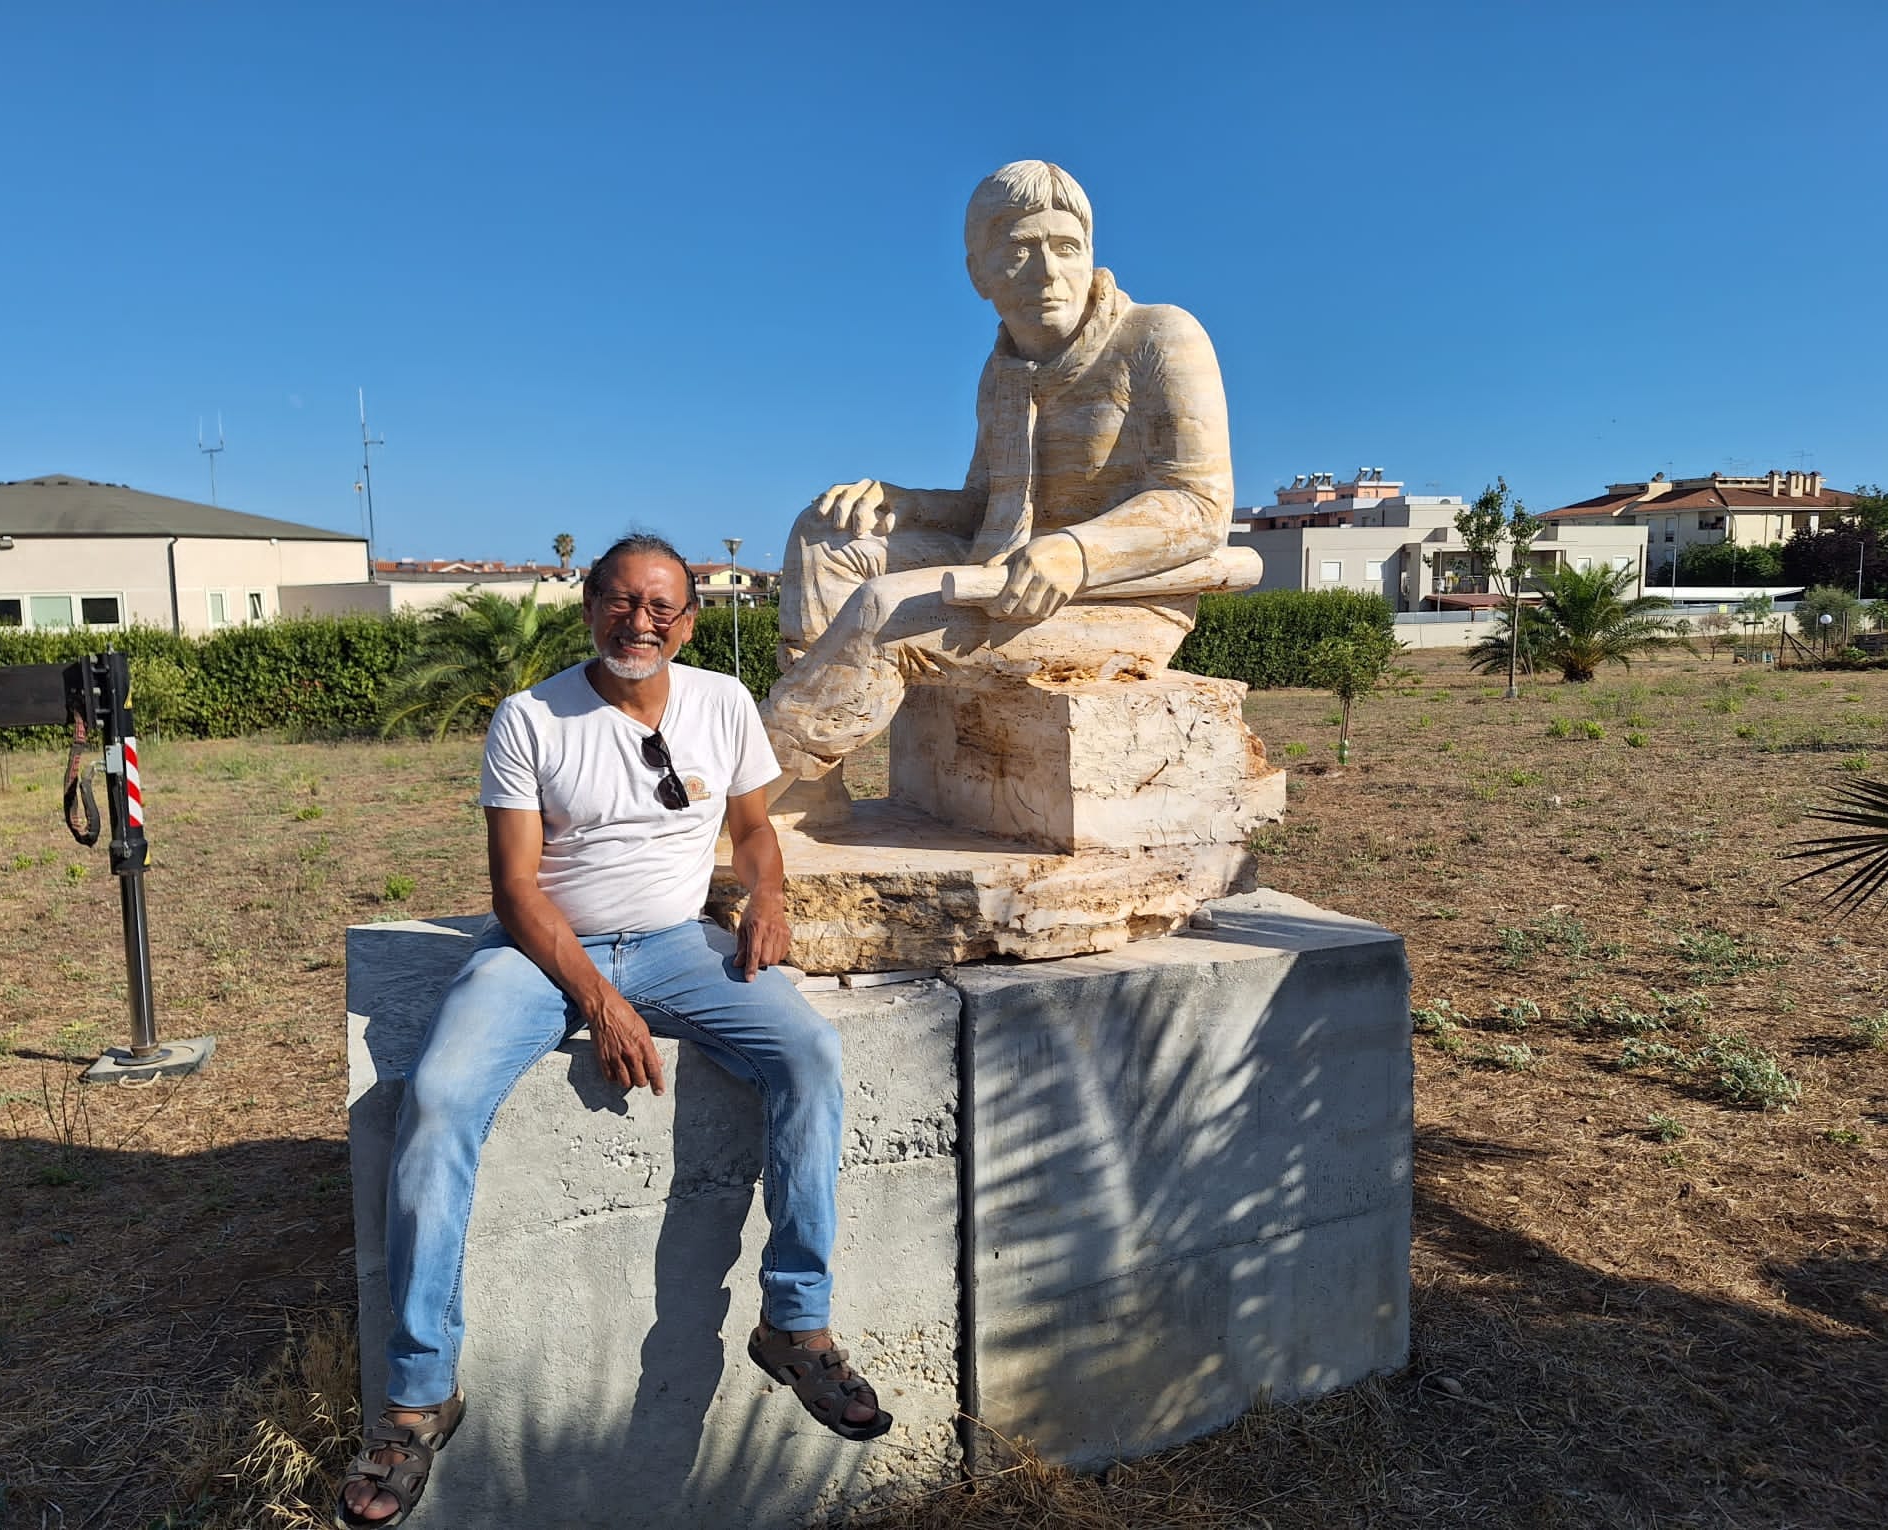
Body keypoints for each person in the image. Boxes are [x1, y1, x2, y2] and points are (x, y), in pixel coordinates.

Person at [337, 534, 889, 1529]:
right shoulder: (532, 718)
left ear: (688, 615)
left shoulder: (722, 703)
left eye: (664, 606)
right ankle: (420, 1396)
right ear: (588, 607)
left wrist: (767, 901)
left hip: (682, 944)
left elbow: (756, 829)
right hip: (542, 952)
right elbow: (514, 888)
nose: (643, 621)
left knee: (809, 1051)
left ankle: (796, 1323)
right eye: (622, 602)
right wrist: (599, 999)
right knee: (438, 1099)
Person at [761, 159, 1234, 806]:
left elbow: (1199, 505)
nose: (1048, 272)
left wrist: (1077, 551)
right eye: (1019, 250)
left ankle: (755, 789)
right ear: (979, 273)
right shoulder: (1002, 372)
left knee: (884, 610)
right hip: (1000, 576)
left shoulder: (1159, 337)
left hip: (1116, 600)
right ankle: (813, 792)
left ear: (1090, 253)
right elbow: (990, 508)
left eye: (1066, 248)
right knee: (826, 536)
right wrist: (905, 504)